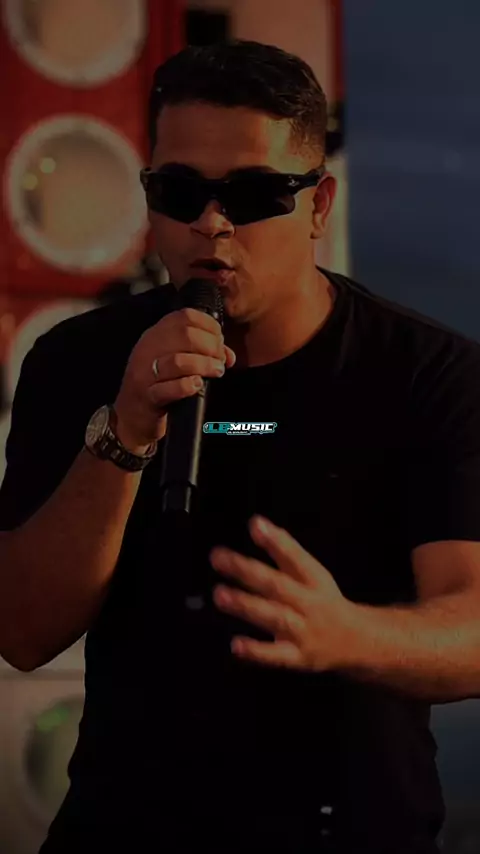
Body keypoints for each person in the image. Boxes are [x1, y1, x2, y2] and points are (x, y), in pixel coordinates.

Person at [0, 39, 479, 854]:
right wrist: (125, 431)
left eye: (255, 195)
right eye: (180, 191)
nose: (211, 224)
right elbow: (22, 630)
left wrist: (345, 635)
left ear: (319, 206)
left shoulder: (426, 373)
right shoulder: (77, 361)